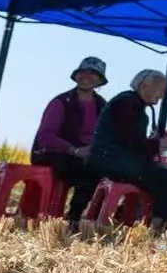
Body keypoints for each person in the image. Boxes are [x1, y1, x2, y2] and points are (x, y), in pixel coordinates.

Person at [84, 69, 167, 226]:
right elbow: (133, 142)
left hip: (112, 161)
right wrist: (158, 145)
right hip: (115, 164)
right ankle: (157, 229)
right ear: (144, 86)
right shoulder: (128, 103)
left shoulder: (130, 103)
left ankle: (143, 222)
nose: (161, 95)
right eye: (160, 89)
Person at [31, 56, 109, 224]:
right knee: (87, 173)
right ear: (76, 76)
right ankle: (72, 219)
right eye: (83, 72)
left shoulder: (103, 106)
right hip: (52, 154)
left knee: (106, 173)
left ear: (100, 81)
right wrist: (74, 150)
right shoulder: (61, 102)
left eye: (93, 74)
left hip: (85, 156)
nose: (86, 77)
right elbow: (45, 137)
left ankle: (93, 221)